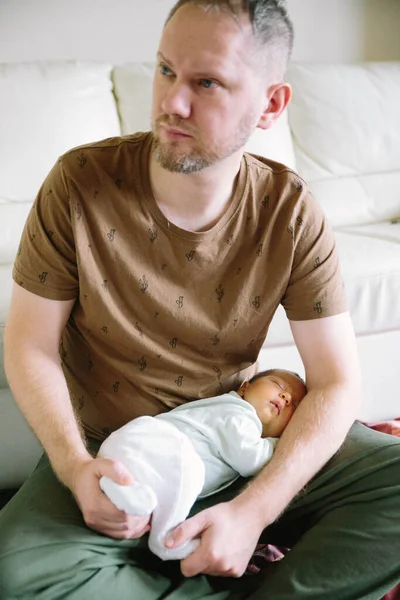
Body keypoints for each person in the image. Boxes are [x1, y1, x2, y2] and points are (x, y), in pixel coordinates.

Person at [0, 0, 399, 598]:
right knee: (20, 572)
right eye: (165, 71)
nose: (171, 103)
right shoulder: (78, 184)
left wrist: (254, 513)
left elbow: (338, 381)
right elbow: (29, 345)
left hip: (239, 439)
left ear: (270, 105)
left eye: (206, 83)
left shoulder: (289, 212)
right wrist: (75, 468)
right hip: (116, 460)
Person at [98, 369, 307, 560]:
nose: (286, 397)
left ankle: (127, 495)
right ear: (244, 388)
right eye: (278, 385)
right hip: (158, 443)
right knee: (189, 470)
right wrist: (283, 441)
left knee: (147, 489)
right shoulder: (238, 412)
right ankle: (167, 540)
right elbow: (251, 459)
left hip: (132, 448)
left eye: (294, 405)